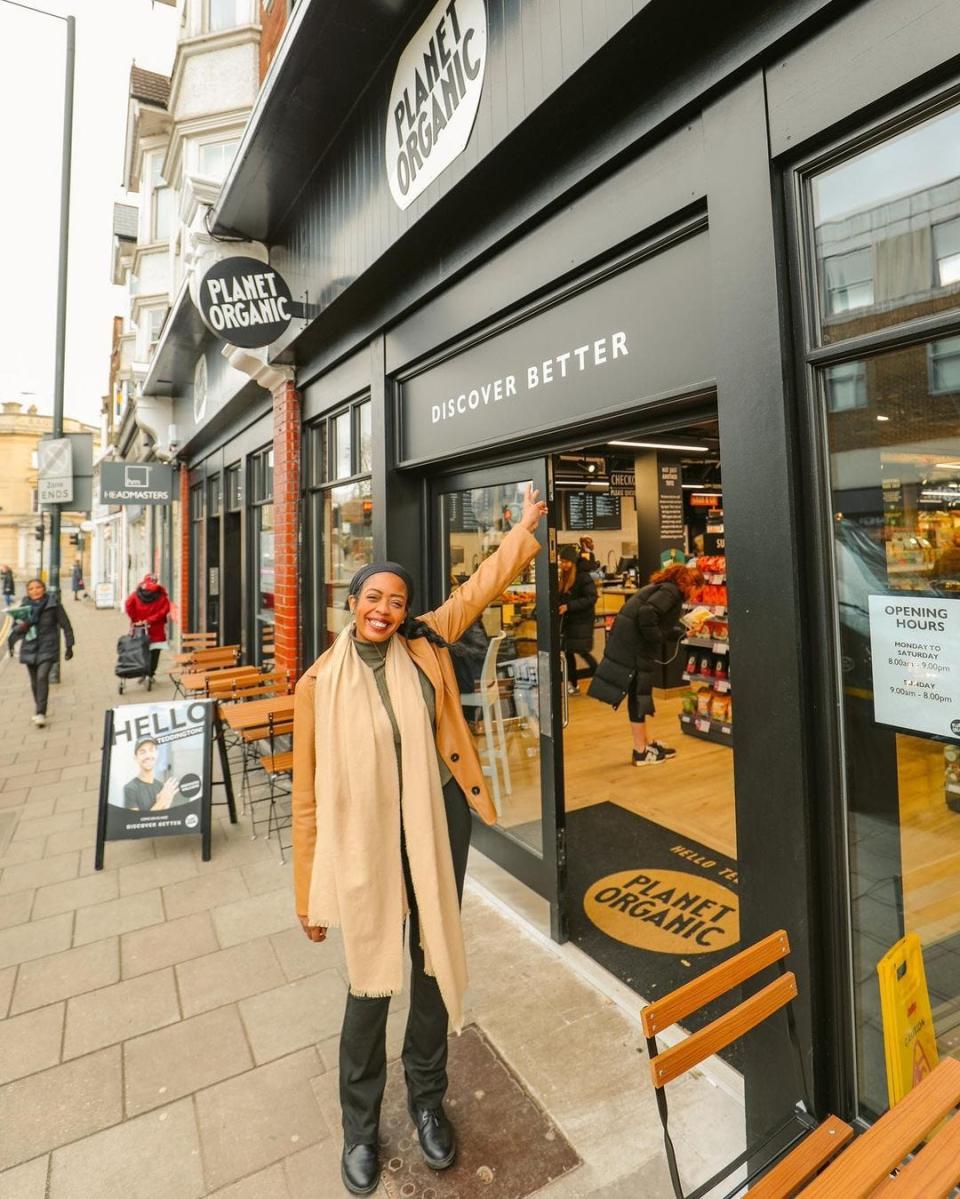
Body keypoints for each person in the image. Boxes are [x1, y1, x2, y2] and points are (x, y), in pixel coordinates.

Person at [292, 484, 546, 1196]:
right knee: (369, 980)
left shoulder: (425, 643)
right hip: (367, 839)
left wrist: (523, 528)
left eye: (396, 600)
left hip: (436, 821)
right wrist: (307, 891)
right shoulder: (318, 684)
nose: (385, 609)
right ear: (353, 602)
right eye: (374, 597)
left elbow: (480, 588)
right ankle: (360, 1126)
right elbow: (307, 796)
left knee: (433, 958)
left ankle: (428, 1099)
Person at [588, 562, 703, 765]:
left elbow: (656, 621)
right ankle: (640, 750)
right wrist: (655, 638)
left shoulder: (664, 587)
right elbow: (647, 614)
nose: (694, 596)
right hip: (635, 647)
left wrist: (684, 633)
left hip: (629, 643)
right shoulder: (672, 592)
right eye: (696, 591)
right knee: (638, 695)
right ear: (690, 584)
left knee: (639, 695)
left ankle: (644, 743)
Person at [6, 579, 75, 728]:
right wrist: (26, 623)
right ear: (28, 591)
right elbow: (15, 630)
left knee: (42, 677)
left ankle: (40, 712)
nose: (35, 591)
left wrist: (69, 646)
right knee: (34, 682)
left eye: (38, 587)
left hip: (48, 647)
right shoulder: (24, 606)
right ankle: (39, 709)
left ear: (44, 589)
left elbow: (66, 625)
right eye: (31, 588)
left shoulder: (53, 604)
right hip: (29, 648)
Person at [558, 545, 597, 695]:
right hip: (571, 621)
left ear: (573, 562)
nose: (564, 565)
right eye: (562, 561)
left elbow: (591, 598)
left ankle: (602, 681)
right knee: (569, 653)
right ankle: (573, 685)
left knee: (582, 651)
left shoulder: (583, 577)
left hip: (581, 621)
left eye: (567, 562)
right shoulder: (565, 576)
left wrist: (569, 606)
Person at [124, 574, 171, 680]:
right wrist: (150, 620)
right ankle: (151, 673)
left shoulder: (136, 594)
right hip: (157, 629)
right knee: (155, 652)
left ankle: (143, 671)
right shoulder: (161, 596)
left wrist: (136, 620)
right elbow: (165, 610)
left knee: (142, 650)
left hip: (139, 629)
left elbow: (128, 605)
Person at [122, 737, 179, 812]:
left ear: (157, 754)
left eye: (151, 750)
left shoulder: (161, 787)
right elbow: (135, 821)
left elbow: (163, 818)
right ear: (136, 758)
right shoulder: (130, 788)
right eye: (142, 752)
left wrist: (167, 803)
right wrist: (161, 801)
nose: (148, 756)